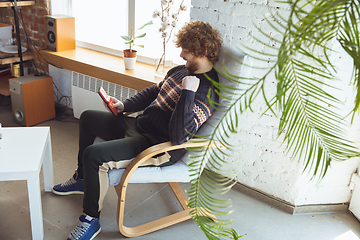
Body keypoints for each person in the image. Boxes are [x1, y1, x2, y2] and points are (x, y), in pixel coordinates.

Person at [52, 20, 223, 240]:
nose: (181, 55)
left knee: (93, 155)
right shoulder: (181, 71)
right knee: (86, 118)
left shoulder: (208, 91)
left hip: (157, 144)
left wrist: (188, 93)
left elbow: (179, 136)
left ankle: (90, 220)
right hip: (139, 125)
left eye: (187, 51)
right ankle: (83, 179)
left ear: (203, 51)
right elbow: (154, 91)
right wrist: (124, 105)